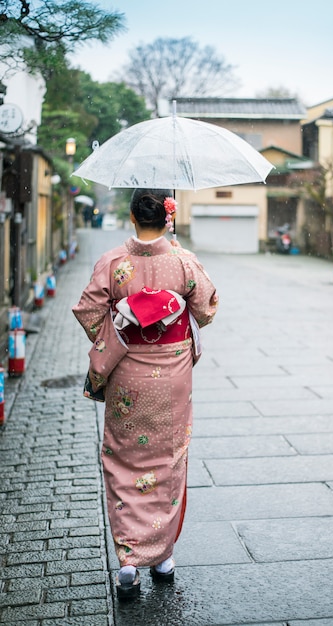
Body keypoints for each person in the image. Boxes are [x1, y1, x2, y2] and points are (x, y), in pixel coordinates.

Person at [72, 188, 218, 601]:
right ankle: (164, 557)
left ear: (133, 218)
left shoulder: (114, 262)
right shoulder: (183, 260)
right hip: (171, 374)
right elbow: (206, 309)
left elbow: (87, 310)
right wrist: (174, 292)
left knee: (124, 458)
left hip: (127, 377)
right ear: (167, 218)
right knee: (167, 457)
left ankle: (129, 562)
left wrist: (123, 323)